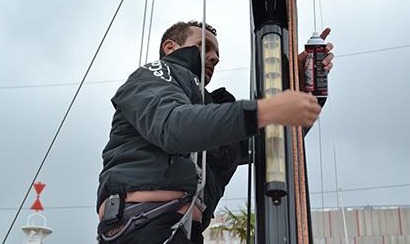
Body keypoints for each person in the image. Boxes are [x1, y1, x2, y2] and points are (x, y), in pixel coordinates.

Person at [96, 21, 334, 244]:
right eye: (203, 46)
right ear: (170, 47)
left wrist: (301, 89)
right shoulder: (155, 74)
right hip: (140, 228)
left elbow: (260, 146)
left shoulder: (208, 108)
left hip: (182, 231)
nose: (214, 57)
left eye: (217, 54)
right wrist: (263, 110)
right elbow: (172, 126)